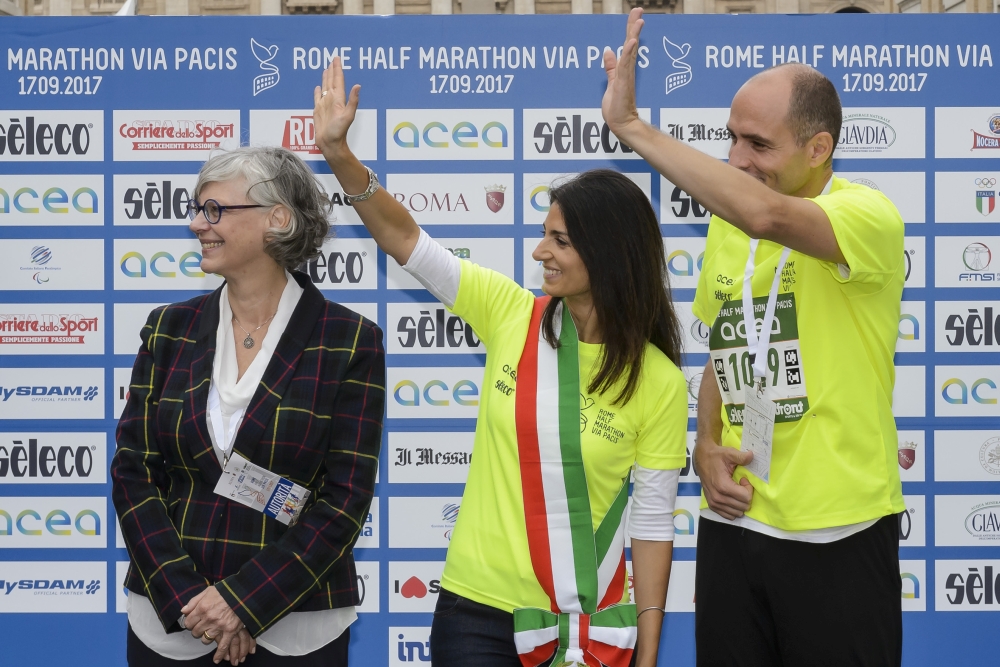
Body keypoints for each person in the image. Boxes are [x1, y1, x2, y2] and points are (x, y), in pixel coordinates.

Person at [313, 58, 689, 667]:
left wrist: (647, 652)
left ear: (609, 255)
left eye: (559, 240)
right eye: (545, 234)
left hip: (585, 625)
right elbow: (407, 241)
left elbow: (650, 525)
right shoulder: (511, 313)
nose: (539, 251)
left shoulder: (660, 381)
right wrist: (338, 155)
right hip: (475, 613)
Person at [603, 9, 906, 667]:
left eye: (759, 145)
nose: (737, 158)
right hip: (735, 521)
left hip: (838, 528)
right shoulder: (729, 224)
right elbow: (725, 346)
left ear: (818, 149)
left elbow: (766, 215)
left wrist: (632, 127)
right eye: (731, 138)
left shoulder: (868, 215)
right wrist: (706, 442)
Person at [111, 146, 385, 667]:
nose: (197, 224)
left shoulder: (350, 340)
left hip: (295, 628)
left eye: (214, 209)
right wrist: (191, 599)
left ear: (277, 219)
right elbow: (133, 473)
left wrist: (241, 603)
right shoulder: (168, 329)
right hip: (173, 621)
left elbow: (344, 500)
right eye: (197, 209)